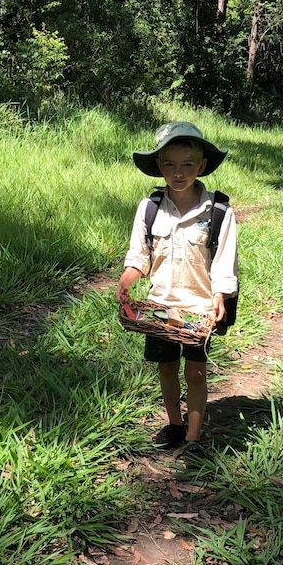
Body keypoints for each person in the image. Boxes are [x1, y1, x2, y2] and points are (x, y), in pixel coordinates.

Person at [116, 121, 239, 454]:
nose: (178, 172)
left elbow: (224, 262)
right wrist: (126, 281)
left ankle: (194, 437)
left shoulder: (218, 211)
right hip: (159, 306)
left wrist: (219, 296)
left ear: (201, 166)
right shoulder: (150, 208)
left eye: (187, 164)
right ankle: (174, 423)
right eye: (169, 164)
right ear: (159, 166)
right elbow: (139, 256)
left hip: (198, 309)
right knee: (166, 367)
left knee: (196, 373)